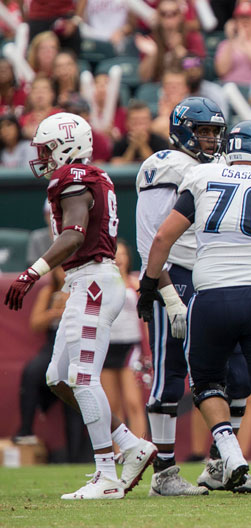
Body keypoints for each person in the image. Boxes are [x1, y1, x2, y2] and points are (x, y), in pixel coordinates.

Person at [139, 120, 251, 498]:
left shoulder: (203, 176)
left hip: (211, 296)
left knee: (206, 381)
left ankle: (228, 452)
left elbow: (162, 237)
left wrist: (147, 285)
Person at [4, 112, 156, 499]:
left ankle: (106, 475)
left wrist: (31, 272)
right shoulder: (91, 176)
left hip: (92, 281)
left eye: (46, 148)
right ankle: (131, 444)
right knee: (58, 377)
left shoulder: (72, 178)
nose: (42, 157)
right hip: (86, 280)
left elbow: (73, 233)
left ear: (65, 145)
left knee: (83, 378)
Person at [134, 97, 251, 497]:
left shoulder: (216, 169)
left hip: (212, 278)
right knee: (170, 374)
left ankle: (219, 465)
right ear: (182, 129)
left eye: (214, 132)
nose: (209, 139)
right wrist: (166, 293)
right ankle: (164, 474)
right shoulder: (166, 165)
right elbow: (151, 239)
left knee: (239, 374)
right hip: (174, 277)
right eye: (202, 130)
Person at [14, 265, 90, 463]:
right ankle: (26, 429)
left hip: (77, 345)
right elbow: (35, 323)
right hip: (53, 344)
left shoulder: (83, 291)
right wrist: (55, 312)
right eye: (60, 269)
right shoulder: (49, 292)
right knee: (32, 372)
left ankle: (75, 453)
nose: (64, 273)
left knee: (74, 389)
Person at [102, 240, 146, 440]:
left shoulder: (135, 284)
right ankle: (120, 451)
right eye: (114, 254)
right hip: (106, 346)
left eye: (123, 254)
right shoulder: (100, 286)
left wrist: (149, 349)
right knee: (112, 404)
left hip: (129, 347)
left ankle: (141, 446)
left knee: (133, 402)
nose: (118, 258)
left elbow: (145, 319)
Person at [136, 0, 206, 83]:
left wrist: (179, 49)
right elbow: (144, 77)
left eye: (174, 13)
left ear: (180, 16)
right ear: (158, 16)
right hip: (161, 87)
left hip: (187, 87)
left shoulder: (192, 37)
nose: (169, 18)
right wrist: (153, 54)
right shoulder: (152, 40)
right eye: (163, 14)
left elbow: (195, 74)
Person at [112, 101, 172, 165]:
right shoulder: (120, 143)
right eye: (135, 121)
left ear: (150, 121)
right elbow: (117, 167)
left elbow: (159, 166)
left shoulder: (161, 142)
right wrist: (132, 147)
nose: (139, 126)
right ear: (127, 123)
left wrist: (142, 146)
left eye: (143, 121)